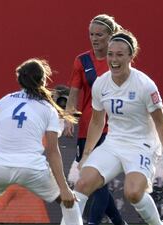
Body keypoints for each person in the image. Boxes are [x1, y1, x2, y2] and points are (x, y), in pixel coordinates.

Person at [0, 58, 82, 225]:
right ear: (44, 80)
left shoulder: (2, 103)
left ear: (19, 80)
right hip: (32, 169)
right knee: (69, 203)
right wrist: (64, 188)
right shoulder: (48, 108)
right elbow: (53, 151)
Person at [73, 30, 163, 225]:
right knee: (82, 184)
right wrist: (87, 153)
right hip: (113, 143)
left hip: (141, 144)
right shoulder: (101, 84)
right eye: (110, 54)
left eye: (120, 55)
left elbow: (160, 124)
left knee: (133, 193)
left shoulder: (145, 85)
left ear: (131, 56)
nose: (114, 59)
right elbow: (97, 121)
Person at [62, 14, 126, 225]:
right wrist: (69, 117)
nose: (94, 38)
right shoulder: (82, 61)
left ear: (110, 35)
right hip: (88, 128)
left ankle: (93, 222)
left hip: (112, 128)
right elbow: (74, 91)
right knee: (96, 181)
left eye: (99, 34)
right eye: (91, 34)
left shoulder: (116, 59)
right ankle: (119, 222)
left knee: (98, 178)